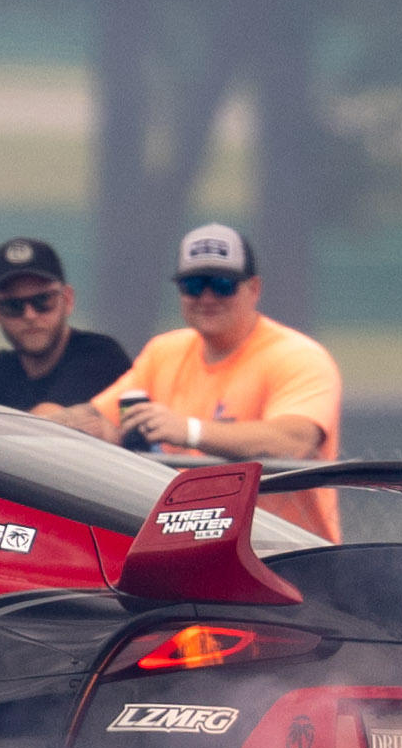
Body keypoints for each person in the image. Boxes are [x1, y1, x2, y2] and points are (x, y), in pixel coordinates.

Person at [85, 224, 343, 540]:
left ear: (254, 289)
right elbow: (97, 419)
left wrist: (190, 431)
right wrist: (41, 421)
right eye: (193, 285)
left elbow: (295, 441)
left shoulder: (298, 355)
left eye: (222, 285)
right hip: (190, 546)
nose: (207, 297)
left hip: (286, 552)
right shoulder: (164, 351)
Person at [0, 237, 130, 415]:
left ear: (68, 299)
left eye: (43, 300)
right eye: (13, 305)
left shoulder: (100, 356)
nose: (30, 315)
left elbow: (48, 422)